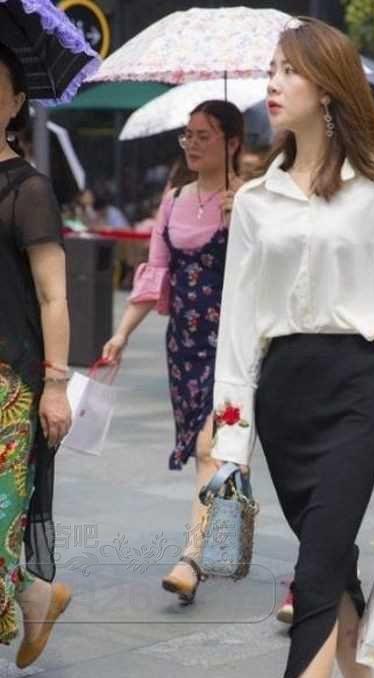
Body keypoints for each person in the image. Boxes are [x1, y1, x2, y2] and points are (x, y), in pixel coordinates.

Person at [210, 18, 374, 678]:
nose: (273, 83)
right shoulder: (255, 199)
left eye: (289, 71)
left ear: (327, 87)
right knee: (332, 560)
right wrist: (231, 439)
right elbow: (238, 323)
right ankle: (360, 664)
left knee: (314, 570)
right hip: (282, 398)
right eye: (271, 70)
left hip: (354, 391)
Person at [102, 100, 243, 602]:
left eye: (205, 135)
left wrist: (244, 222)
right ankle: (227, 518)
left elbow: (270, 271)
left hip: (235, 344)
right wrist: (121, 334)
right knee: (218, 451)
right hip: (184, 344)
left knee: (210, 447)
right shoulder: (175, 198)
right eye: (189, 135)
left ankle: (191, 557)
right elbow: (156, 273)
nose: (193, 144)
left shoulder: (251, 200)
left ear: (232, 142)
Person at [0, 43, 72, 667]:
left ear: (16, 102)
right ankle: (37, 594)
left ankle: (33, 593)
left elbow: (53, 296)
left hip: (9, 388)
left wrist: (55, 385)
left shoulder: (28, 189)